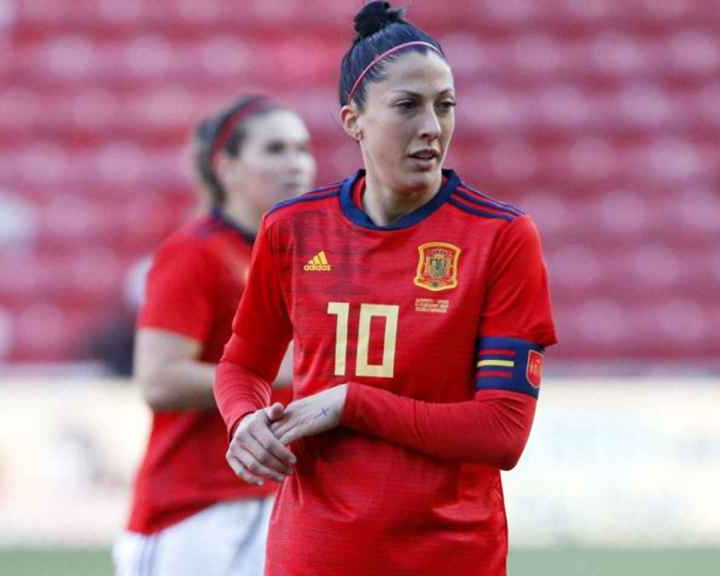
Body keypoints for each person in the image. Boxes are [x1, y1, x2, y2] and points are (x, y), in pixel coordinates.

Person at [213, 3, 556, 574]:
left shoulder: (501, 236)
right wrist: (244, 418)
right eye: (408, 106)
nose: (432, 126)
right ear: (354, 121)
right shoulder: (292, 228)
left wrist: (351, 402)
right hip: (313, 553)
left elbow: (503, 431)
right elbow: (242, 363)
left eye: (445, 106)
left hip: (449, 555)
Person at [114, 96, 316, 576]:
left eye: (303, 148)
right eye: (275, 149)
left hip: (281, 500)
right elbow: (159, 380)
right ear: (226, 168)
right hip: (194, 512)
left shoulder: (305, 256)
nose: (297, 164)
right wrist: (271, 372)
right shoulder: (195, 253)